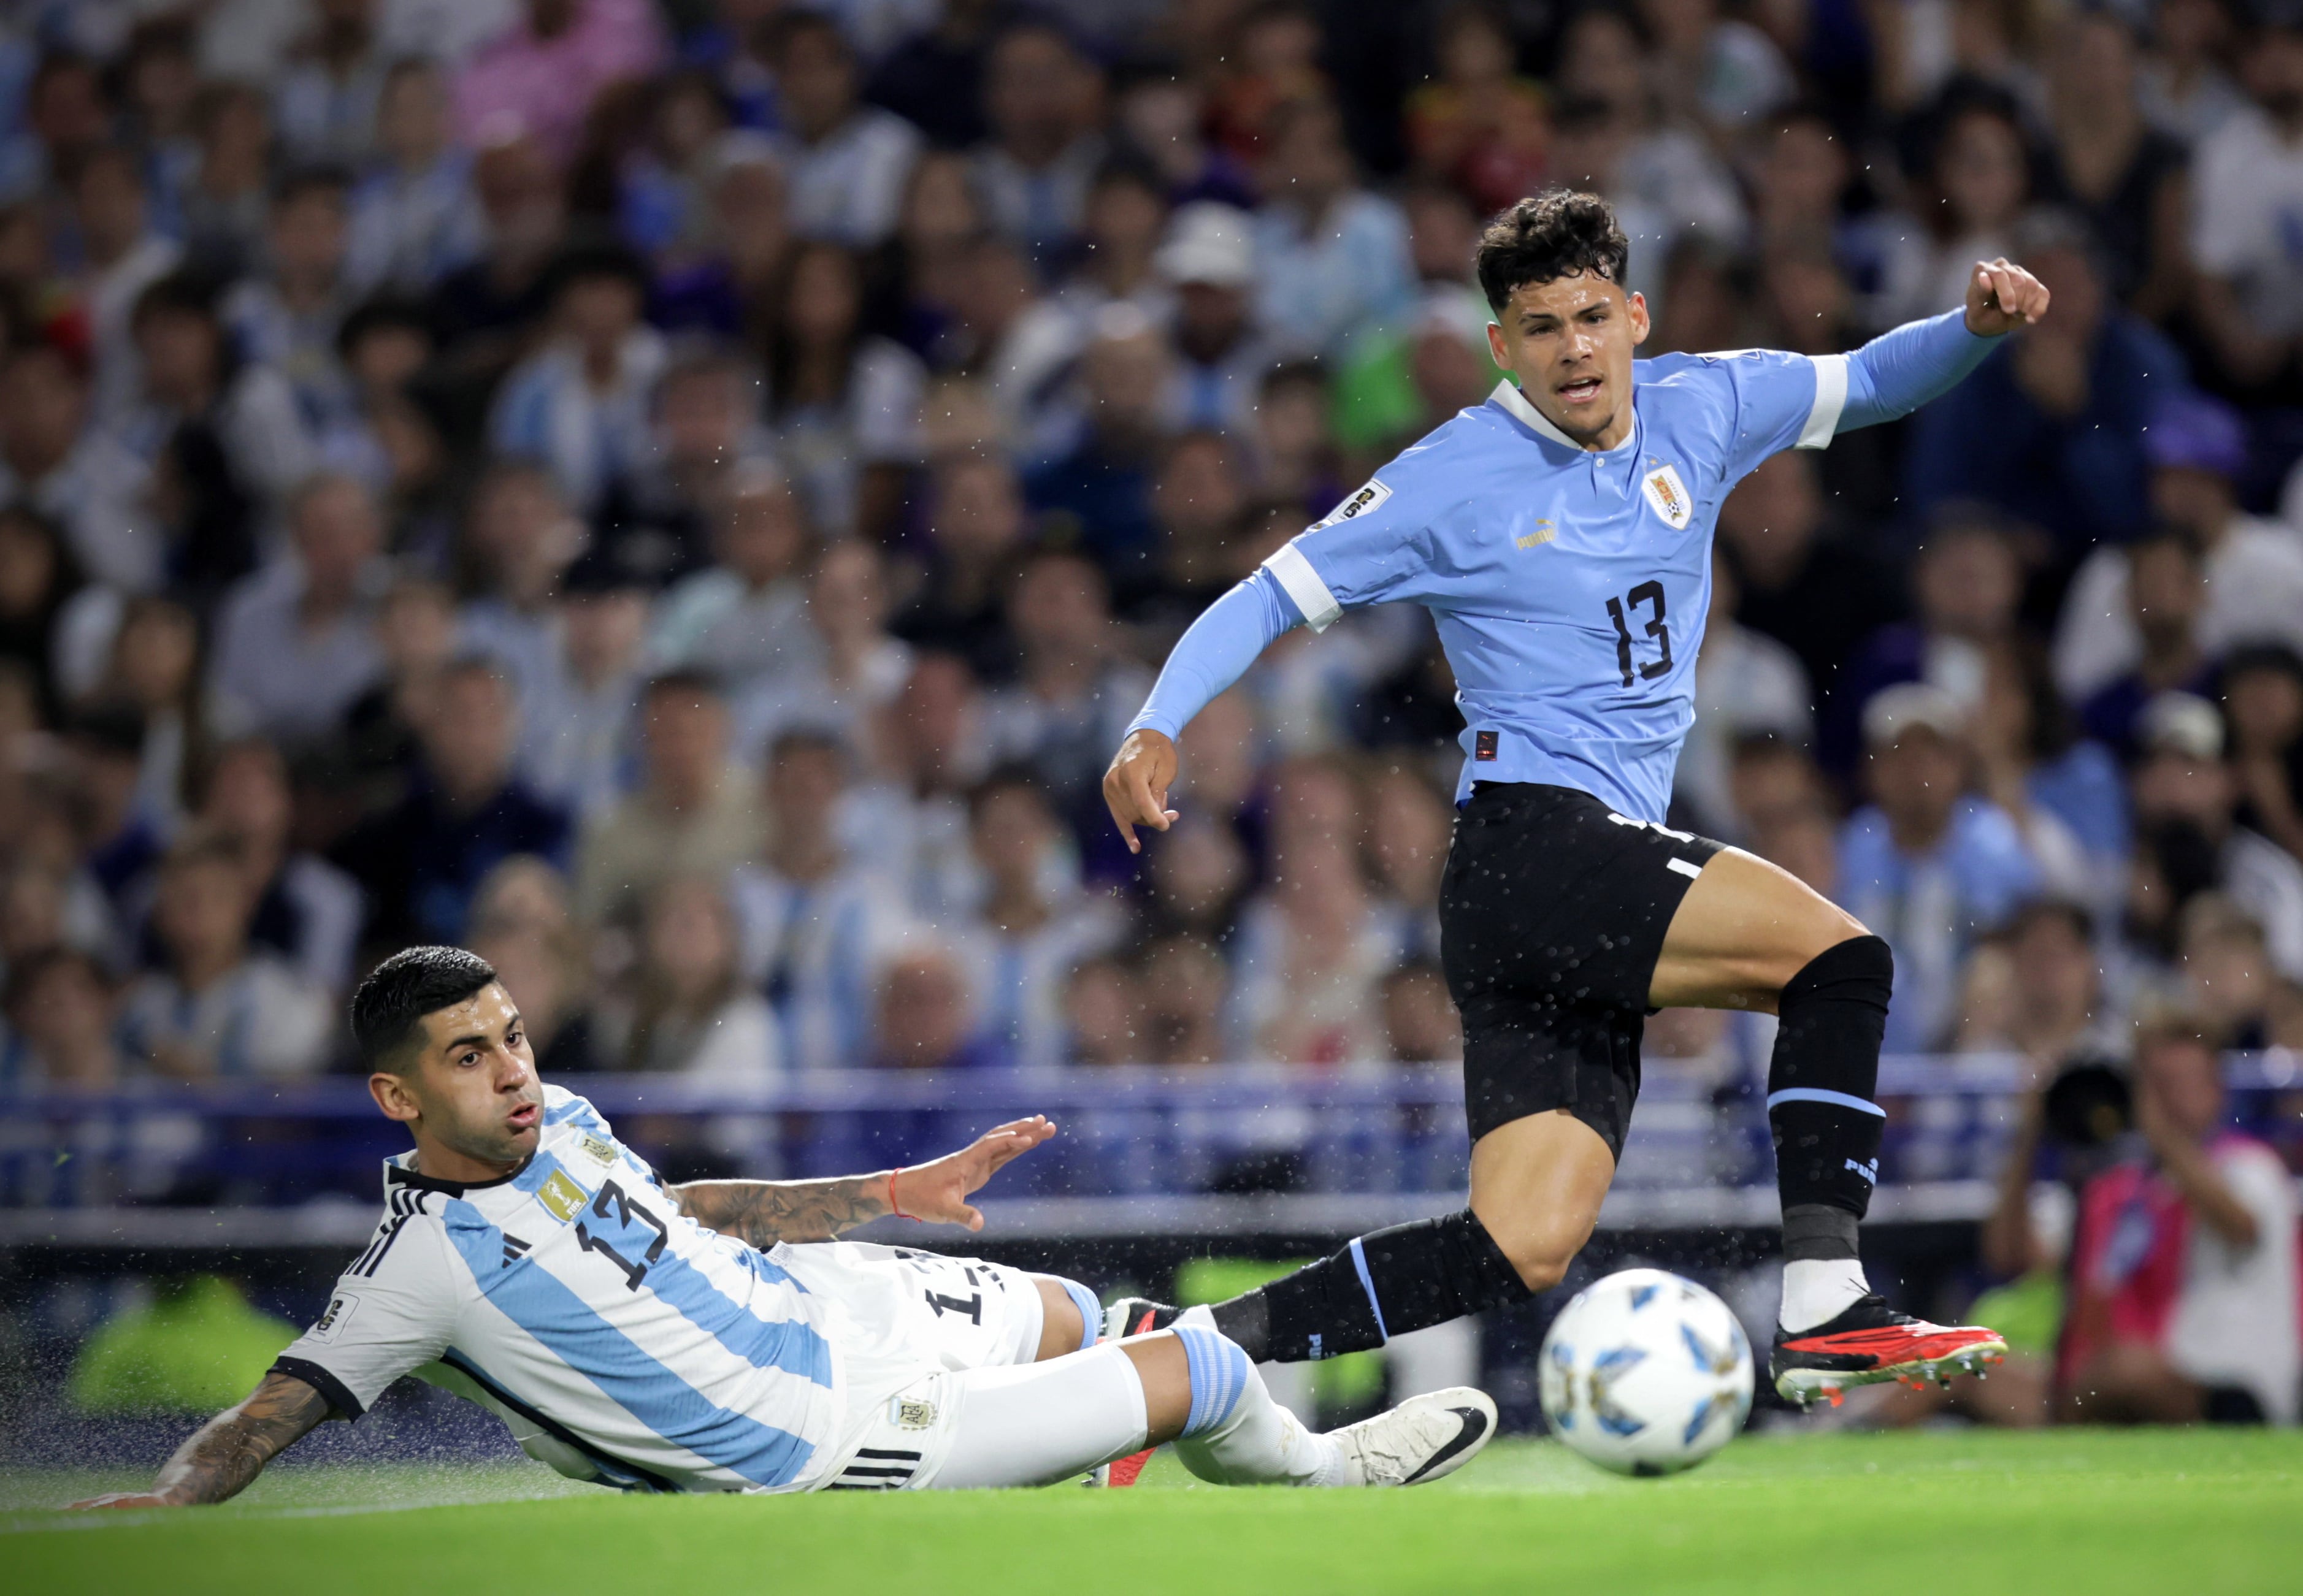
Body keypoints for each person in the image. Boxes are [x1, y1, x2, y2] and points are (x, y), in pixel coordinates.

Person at [1101, 190, 2045, 1402]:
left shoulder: (1703, 404)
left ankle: (1178, 1358)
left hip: (1540, 892)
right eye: (1540, 327)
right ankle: (1827, 1303)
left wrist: (1969, 327)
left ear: (1635, 316)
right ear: (1503, 347)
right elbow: (1271, 594)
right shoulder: (1453, 477)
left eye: (1592, 316)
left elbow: (1866, 381)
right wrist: (1157, 721)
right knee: (1841, 963)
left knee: (1516, 1244)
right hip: (1535, 846)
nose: (1574, 348)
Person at [68, 945, 1494, 1506]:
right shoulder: (419, 1271)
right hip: (822, 1438)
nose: (511, 1069)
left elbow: (686, 1212)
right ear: (396, 1095)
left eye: (511, 1036)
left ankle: (1100, 1475)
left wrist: (891, 1195)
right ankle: (1321, 1479)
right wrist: (176, 1496)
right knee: (1209, 1372)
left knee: (1076, 1311)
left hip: (826, 1309)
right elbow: (270, 1411)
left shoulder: (557, 1124)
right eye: (467, 1056)